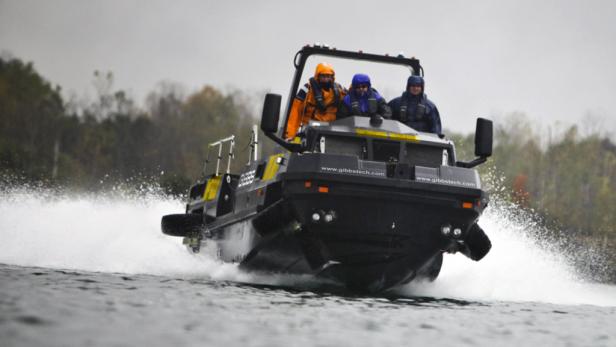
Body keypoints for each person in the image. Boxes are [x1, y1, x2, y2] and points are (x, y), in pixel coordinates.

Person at [285, 62, 346, 139]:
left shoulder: (339, 90)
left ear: (332, 77)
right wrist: (290, 134)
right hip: (308, 132)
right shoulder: (308, 90)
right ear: (317, 76)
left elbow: (350, 100)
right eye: (323, 76)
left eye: (329, 76)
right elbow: (295, 112)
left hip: (331, 133)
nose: (326, 79)